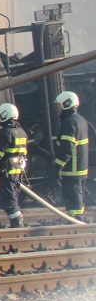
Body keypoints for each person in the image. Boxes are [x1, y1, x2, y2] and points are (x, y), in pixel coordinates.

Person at [53, 91, 90, 219]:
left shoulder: (69, 123)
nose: (59, 109)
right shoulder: (80, 120)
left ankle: (76, 224)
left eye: (60, 105)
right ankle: (78, 220)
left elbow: (67, 150)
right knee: (78, 197)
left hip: (72, 170)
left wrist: (57, 166)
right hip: (80, 168)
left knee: (73, 199)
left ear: (66, 104)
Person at [0, 102, 28, 228]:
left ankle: (17, 223)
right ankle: (16, 222)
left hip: (7, 170)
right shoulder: (22, 132)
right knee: (13, 195)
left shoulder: (6, 133)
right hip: (18, 171)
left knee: (9, 198)